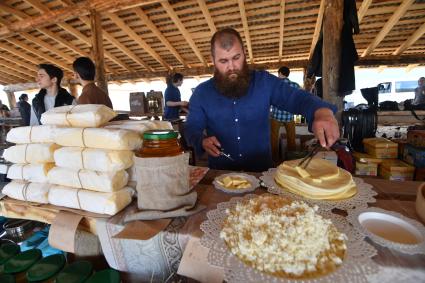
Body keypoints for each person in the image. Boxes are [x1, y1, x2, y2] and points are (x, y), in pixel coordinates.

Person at [185, 28, 339, 172]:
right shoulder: (201, 93)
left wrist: (322, 112)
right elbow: (192, 128)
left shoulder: (264, 82)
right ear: (213, 60)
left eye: (236, 57)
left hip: (261, 174)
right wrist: (201, 141)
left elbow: (296, 97)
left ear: (244, 54)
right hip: (221, 176)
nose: (231, 67)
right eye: (223, 61)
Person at [270, 66, 300, 163]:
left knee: (273, 138)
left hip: (276, 116)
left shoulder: (274, 86)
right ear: (288, 74)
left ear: (279, 73)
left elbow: (270, 100)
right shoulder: (295, 86)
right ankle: (292, 160)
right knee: (291, 138)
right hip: (289, 116)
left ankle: (274, 160)